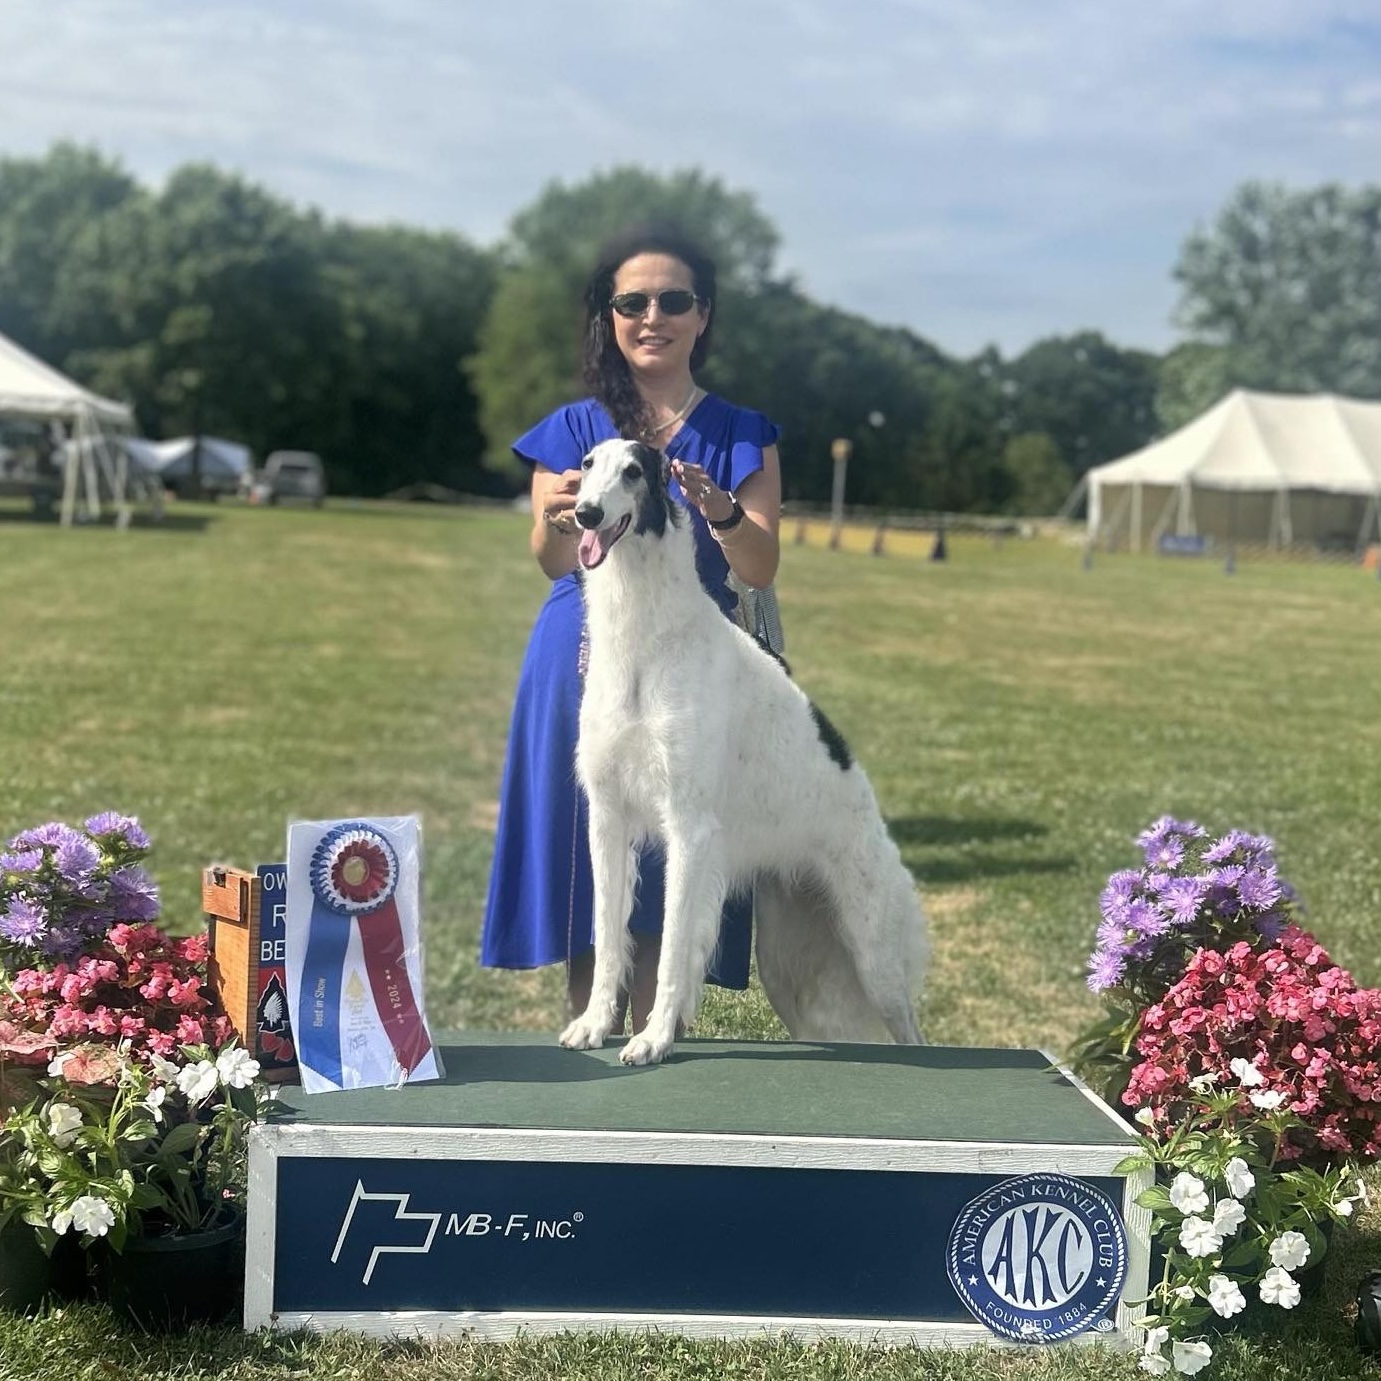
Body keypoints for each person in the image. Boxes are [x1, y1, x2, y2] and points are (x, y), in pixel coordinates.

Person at [480, 221, 783, 1033]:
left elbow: (758, 567)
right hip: (583, 658)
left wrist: (721, 510)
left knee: (683, 846)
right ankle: (591, 1021)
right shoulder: (570, 428)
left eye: (673, 300)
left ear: (703, 314)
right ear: (607, 316)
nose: (653, 317)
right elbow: (550, 559)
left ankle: (662, 1031)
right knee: (591, 868)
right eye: (631, 302)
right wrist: (554, 517)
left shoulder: (741, 432)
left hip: (692, 664)